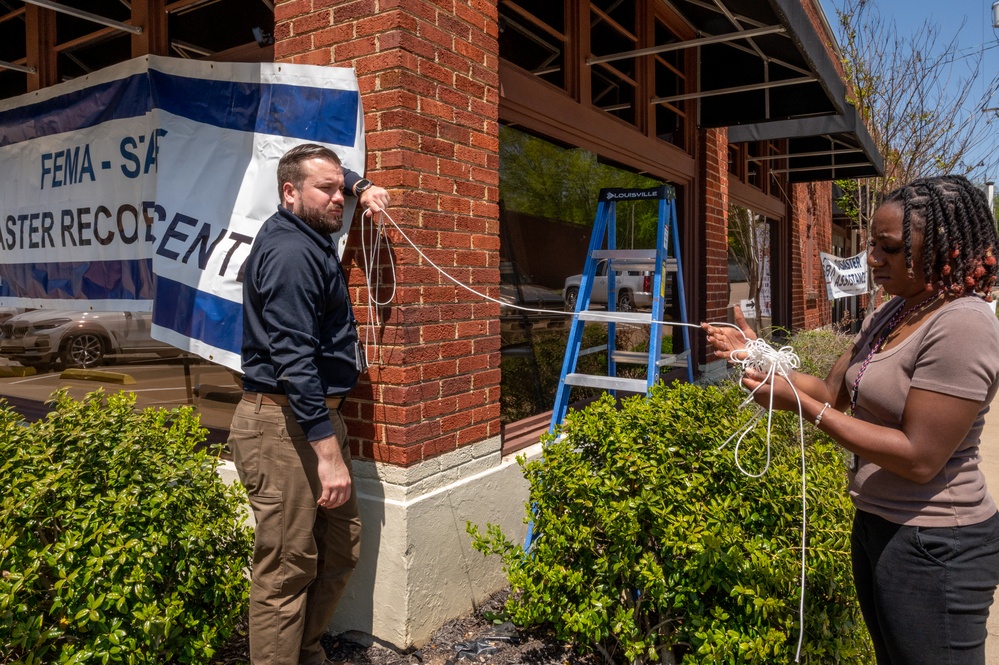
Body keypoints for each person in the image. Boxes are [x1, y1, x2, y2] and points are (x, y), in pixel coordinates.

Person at [704, 174, 999, 664]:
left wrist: (802, 408)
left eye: (889, 248)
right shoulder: (891, 313)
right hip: (877, 525)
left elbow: (920, 458)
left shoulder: (963, 324)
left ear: (941, 247)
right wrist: (752, 357)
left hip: (937, 544)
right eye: (871, 245)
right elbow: (833, 393)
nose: (873, 260)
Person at [228, 143, 389, 665]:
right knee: (286, 570)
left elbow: (333, 175)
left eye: (340, 188)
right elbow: (294, 360)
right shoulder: (293, 253)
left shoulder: (311, 231)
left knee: (340, 550)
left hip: (314, 421)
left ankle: (307, 652)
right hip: (284, 426)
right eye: (327, 189)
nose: (337, 197)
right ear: (288, 193)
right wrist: (327, 452)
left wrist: (363, 188)